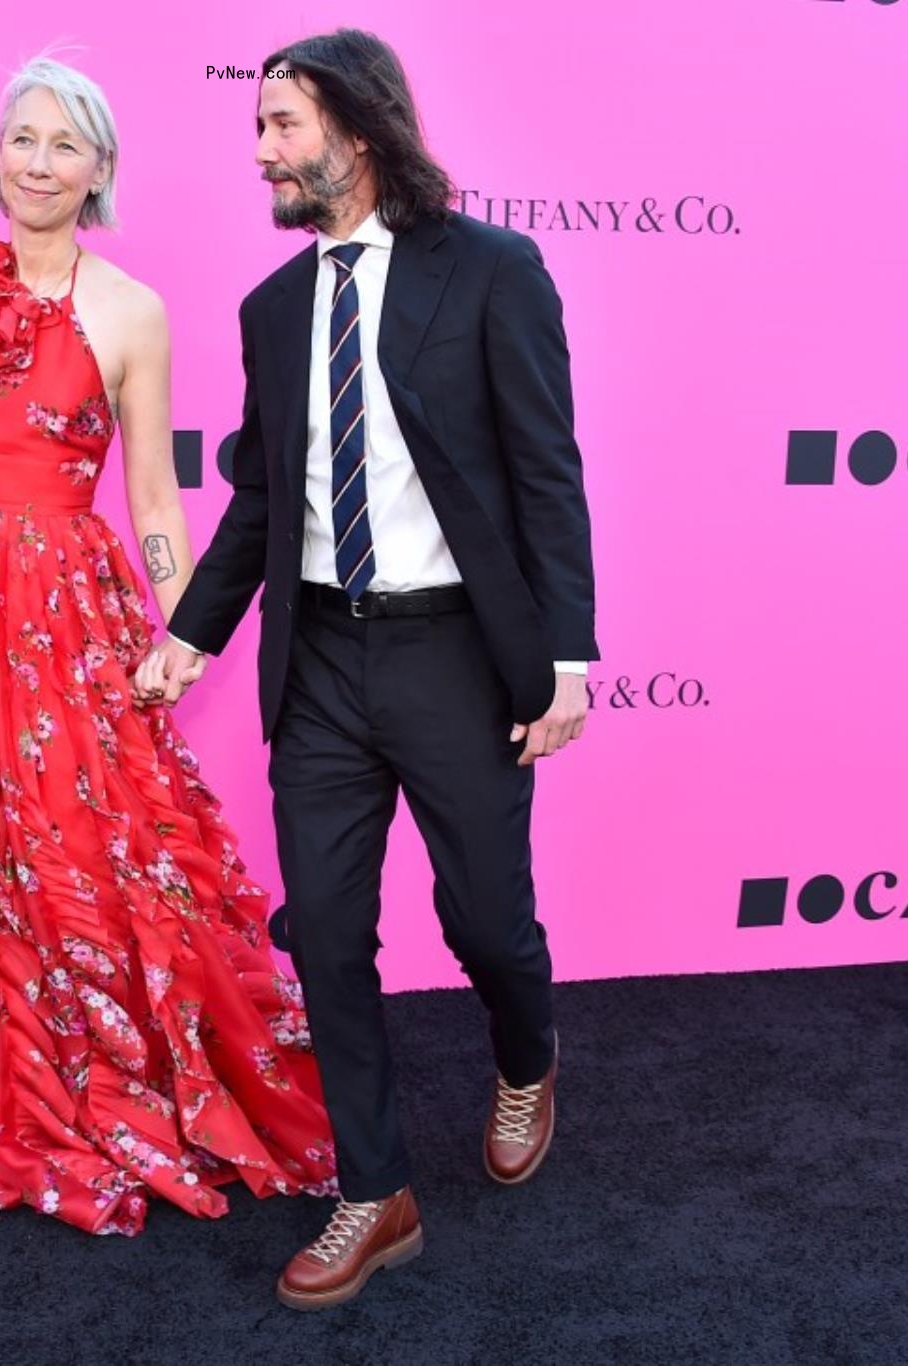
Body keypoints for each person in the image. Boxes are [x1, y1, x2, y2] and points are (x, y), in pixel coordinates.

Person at [0, 54, 335, 1238]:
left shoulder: (130, 310)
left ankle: (113, 1064)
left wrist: (180, 628)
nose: (39, 163)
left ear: (100, 168)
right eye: (23, 139)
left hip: (61, 610)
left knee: (84, 835)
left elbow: (154, 498)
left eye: (66, 144)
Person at [133, 29, 598, 1308]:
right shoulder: (273, 312)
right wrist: (191, 633)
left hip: (458, 649)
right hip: (323, 658)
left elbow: (546, 471)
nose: (265, 153)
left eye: (283, 126)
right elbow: (258, 502)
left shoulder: (495, 272)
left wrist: (564, 653)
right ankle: (374, 1189)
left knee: (486, 918)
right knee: (328, 932)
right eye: (260, 131)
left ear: (357, 125)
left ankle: (526, 1050)